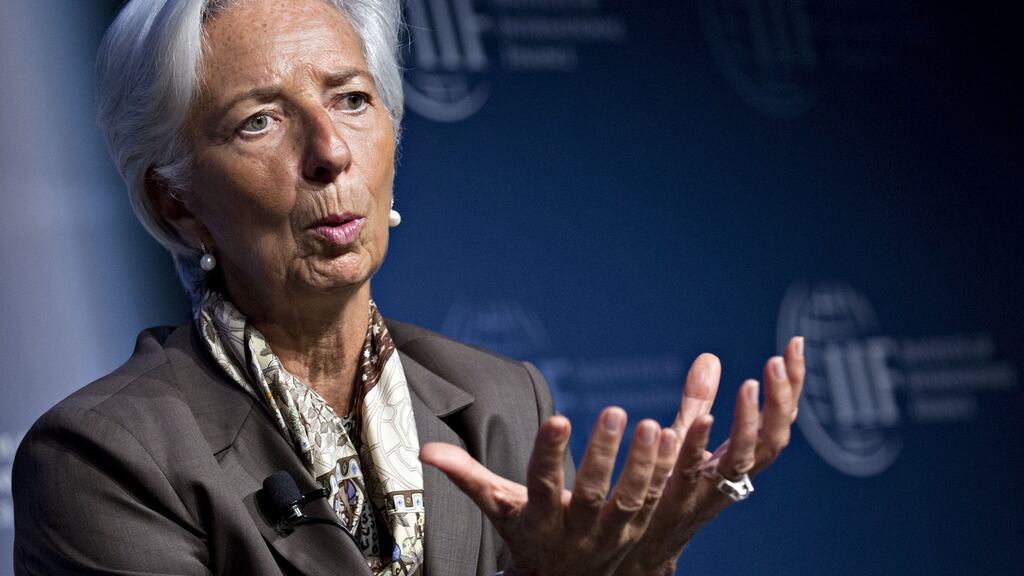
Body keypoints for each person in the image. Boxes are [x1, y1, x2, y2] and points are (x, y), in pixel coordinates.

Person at [12, 0, 805, 575]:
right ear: (175, 204)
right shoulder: (103, 461)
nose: (330, 151)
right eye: (259, 120)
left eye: (353, 100)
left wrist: (641, 567)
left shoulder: (501, 399)